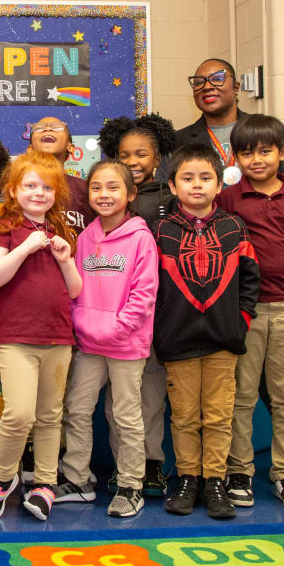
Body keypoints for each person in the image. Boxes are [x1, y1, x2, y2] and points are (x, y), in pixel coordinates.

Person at [217, 114, 284, 512]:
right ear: (236, 158)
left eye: (265, 151)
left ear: (282, 153)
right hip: (244, 311)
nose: (256, 160)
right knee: (240, 396)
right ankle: (240, 471)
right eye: (246, 153)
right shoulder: (228, 199)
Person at [153, 144, 259, 520]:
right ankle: (187, 479)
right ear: (173, 185)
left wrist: (240, 321)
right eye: (187, 178)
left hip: (223, 339)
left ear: (219, 185)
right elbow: (152, 286)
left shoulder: (234, 227)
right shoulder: (161, 230)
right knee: (183, 416)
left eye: (205, 178)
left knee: (217, 415)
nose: (196, 186)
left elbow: (250, 281)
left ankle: (215, 479)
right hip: (177, 340)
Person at [0, 151, 81, 523]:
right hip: (17, 338)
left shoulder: (61, 230)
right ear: (13, 190)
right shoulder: (5, 227)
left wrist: (66, 258)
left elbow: (74, 289)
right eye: (30, 185)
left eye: (47, 187)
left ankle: (45, 483)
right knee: (18, 414)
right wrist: (24, 248)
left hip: (58, 338)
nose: (39, 193)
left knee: (51, 416)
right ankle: (3, 478)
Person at [58, 160, 158, 518]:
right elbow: (75, 289)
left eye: (113, 187)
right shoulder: (85, 237)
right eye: (97, 187)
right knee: (78, 409)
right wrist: (81, 324)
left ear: (130, 194)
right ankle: (78, 479)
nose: (104, 194)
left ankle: (131, 484)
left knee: (126, 416)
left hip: (126, 345)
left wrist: (117, 328)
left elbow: (144, 295)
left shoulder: (141, 238)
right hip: (88, 343)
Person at [95, 113, 178, 496]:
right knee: (120, 401)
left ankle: (152, 464)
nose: (133, 161)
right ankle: (123, 466)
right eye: (124, 154)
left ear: (158, 157)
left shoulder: (171, 197)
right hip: (120, 316)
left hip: (162, 311)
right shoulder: (108, 200)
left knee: (151, 395)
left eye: (142, 154)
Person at [177, 58, 284, 198]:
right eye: (198, 82)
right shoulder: (178, 141)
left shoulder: (266, 130)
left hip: (261, 219)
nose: (207, 86)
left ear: (236, 87)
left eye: (217, 78)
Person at [28, 116, 96, 233]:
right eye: (39, 128)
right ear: (30, 149)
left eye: (57, 127)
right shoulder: (21, 188)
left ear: (70, 147)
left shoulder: (85, 189)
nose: (48, 129)